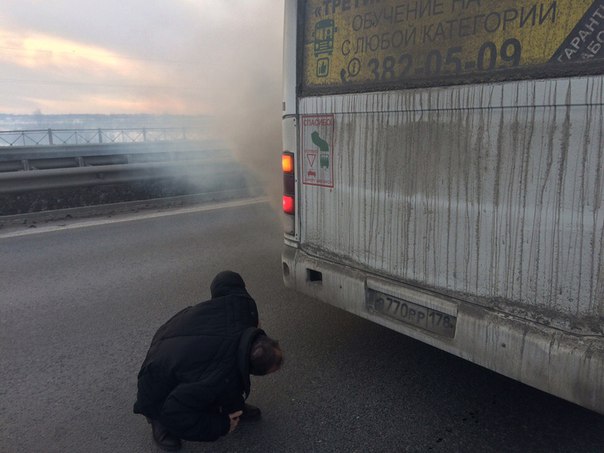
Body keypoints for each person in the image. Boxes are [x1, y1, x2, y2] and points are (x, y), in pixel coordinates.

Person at [133, 270, 283, 451]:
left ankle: (233, 409)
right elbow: (175, 410)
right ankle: (157, 422)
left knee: (225, 381)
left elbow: (225, 279)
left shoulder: (245, 309)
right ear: (254, 370)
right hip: (155, 379)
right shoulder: (219, 376)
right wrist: (222, 425)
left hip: (172, 334)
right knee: (170, 411)